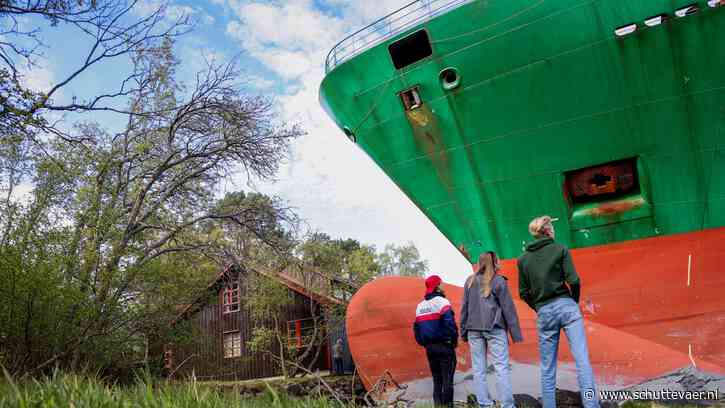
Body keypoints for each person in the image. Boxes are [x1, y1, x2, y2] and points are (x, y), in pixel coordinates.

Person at [518, 216, 599, 408]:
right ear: (547, 231)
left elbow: (523, 293)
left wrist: (538, 307)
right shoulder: (560, 249)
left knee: (547, 368)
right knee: (582, 361)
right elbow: (574, 280)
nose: (554, 230)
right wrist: (573, 301)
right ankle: (591, 404)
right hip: (566, 306)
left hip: (544, 311)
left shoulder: (523, 260)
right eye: (552, 227)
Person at [460, 251, 523, 408]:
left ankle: (484, 404)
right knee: (501, 368)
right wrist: (515, 334)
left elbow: (464, 309)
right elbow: (508, 309)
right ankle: (507, 405)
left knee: (478, 369)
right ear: (494, 263)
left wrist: (463, 332)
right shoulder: (498, 281)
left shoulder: (470, 281)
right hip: (494, 329)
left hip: (473, 329)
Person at [413, 275, 459, 407]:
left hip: (430, 349)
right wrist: (453, 341)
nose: (443, 286)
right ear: (437, 286)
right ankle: (448, 406)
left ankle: (438, 406)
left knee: (437, 380)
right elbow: (450, 324)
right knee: (447, 380)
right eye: (441, 284)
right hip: (445, 346)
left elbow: (416, 328)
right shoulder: (442, 302)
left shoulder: (420, 306)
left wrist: (423, 343)